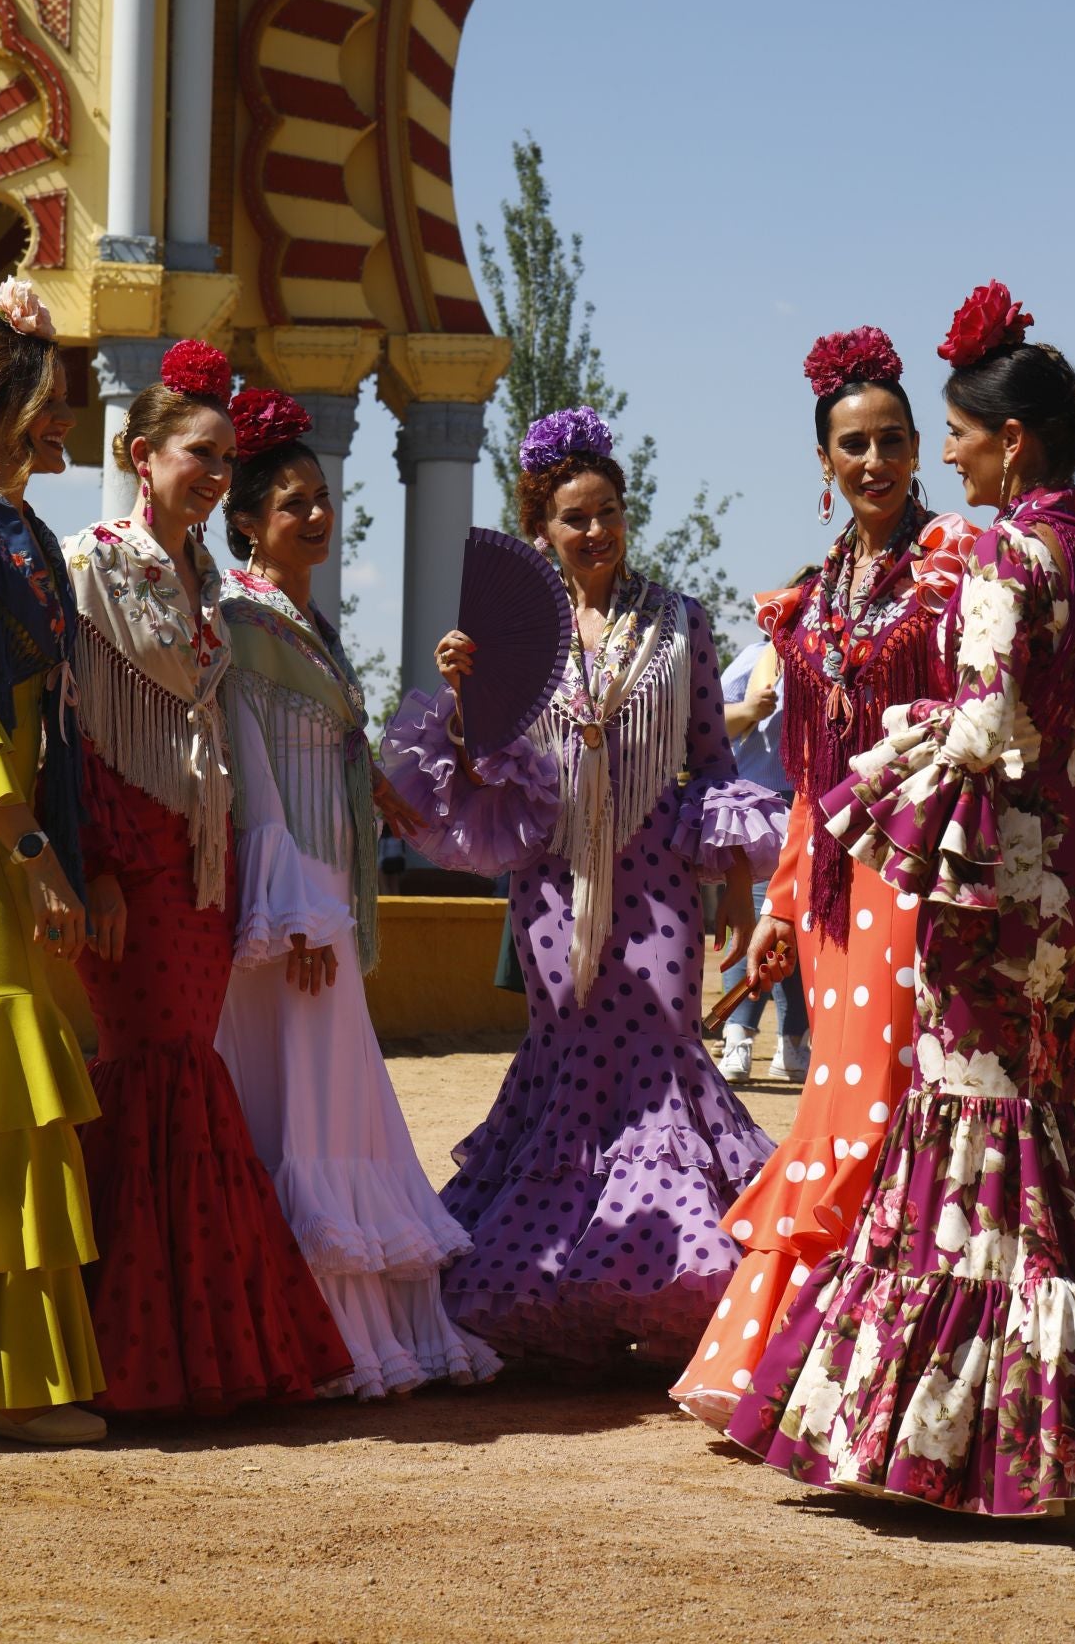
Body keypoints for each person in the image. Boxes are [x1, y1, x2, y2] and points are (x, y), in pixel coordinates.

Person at [729, 280, 1075, 1516]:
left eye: (950, 433)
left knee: (968, 1148)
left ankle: (984, 1443)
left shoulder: (1008, 550)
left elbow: (988, 722)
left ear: (1011, 442)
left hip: (997, 896)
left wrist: (894, 751)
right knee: (1051, 1139)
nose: (938, 455)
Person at [382, 406, 785, 1366]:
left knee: (661, 1056)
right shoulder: (514, 636)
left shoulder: (679, 620)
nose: (595, 531)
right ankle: (563, 1283)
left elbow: (710, 759)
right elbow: (480, 770)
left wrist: (732, 882)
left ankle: (676, 1283)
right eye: (574, 517)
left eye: (608, 511)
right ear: (541, 528)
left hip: (661, 884)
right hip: (554, 886)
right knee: (566, 1057)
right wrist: (462, 696)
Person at [672, 327, 971, 1431]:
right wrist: (780, 906)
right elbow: (805, 778)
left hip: (923, 876)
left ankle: (869, 1386)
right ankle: (788, 1372)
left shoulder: (955, 569)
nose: (875, 460)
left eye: (893, 439)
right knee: (836, 1107)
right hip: (838, 893)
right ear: (823, 461)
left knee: (892, 1113)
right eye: (853, 444)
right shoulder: (801, 605)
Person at [66, 343, 351, 1414]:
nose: (216, 473)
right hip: (128, 856)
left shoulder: (214, 585)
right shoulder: (87, 561)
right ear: (140, 456)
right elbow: (71, 729)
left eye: (227, 458)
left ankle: (195, 1348)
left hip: (203, 855)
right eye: (199, 454)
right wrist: (91, 866)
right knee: (147, 1066)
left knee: (186, 1064)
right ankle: (126, 1350)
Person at [213, 388, 500, 1398]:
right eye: (294, 502)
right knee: (300, 1106)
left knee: (327, 1104)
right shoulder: (237, 621)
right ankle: (304, 1334)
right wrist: (285, 905)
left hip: (322, 890)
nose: (318, 516)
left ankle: (333, 1330)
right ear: (246, 518)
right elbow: (246, 772)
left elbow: (344, 762)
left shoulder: (308, 625)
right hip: (281, 910)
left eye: (323, 497)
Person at [0, 281, 105, 1446]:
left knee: (2, 1108)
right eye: (51, 402)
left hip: (13, 842)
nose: (64, 425)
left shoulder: (23, 528)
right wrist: (33, 848)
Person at [714, 587, 814, 1086]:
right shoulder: (754, 659)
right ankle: (738, 1035)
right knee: (755, 923)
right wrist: (753, 707)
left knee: (797, 927)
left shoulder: (826, 661)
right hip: (757, 808)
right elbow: (712, 724)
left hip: (809, 806)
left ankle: (793, 1042)